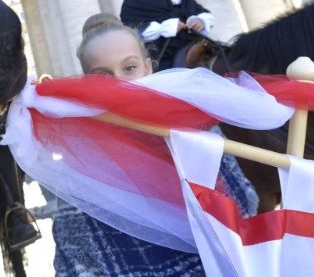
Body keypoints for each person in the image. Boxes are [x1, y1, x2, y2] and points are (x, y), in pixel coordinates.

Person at [51, 14, 257, 276]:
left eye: (129, 68)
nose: (121, 83)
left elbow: (244, 202)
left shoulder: (194, 126)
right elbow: (77, 255)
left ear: (148, 67)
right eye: (104, 75)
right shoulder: (82, 160)